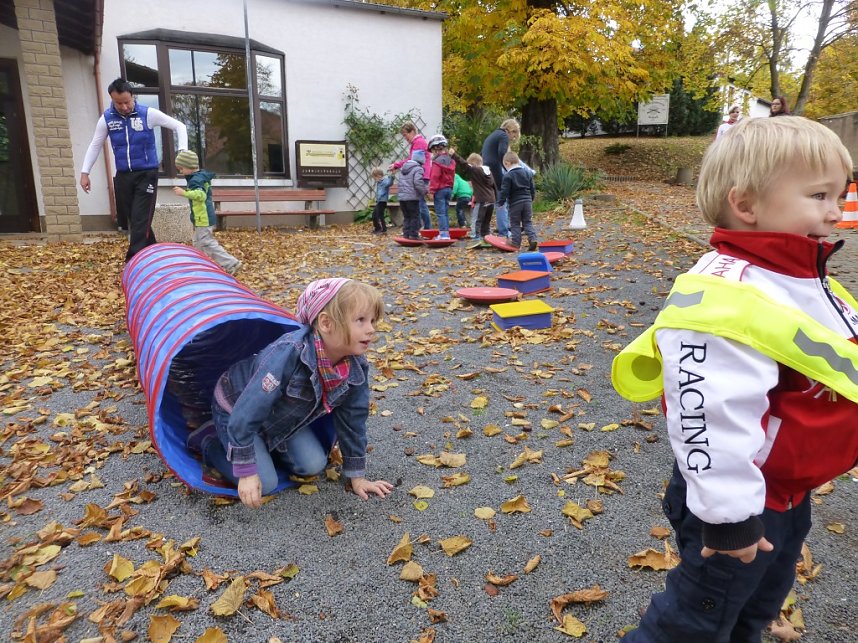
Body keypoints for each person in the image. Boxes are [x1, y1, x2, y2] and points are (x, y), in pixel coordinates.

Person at [611, 116, 857, 642]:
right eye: (819, 195)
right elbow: (708, 411)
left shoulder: (802, 277)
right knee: (692, 623)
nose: (835, 212)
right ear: (746, 206)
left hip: (786, 495)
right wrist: (728, 520)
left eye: (841, 194)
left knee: (756, 607)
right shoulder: (729, 294)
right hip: (740, 501)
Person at [186, 278, 395, 508]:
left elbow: (353, 420)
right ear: (326, 323)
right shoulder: (289, 354)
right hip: (236, 408)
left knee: (313, 465)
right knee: (264, 483)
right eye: (361, 320)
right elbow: (249, 409)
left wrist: (358, 477)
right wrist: (246, 471)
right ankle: (210, 442)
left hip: (280, 418)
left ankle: (263, 447)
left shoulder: (355, 368)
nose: (371, 329)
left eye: (373, 320)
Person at [80, 78, 188, 262]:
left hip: (147, 174)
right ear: (112, 100)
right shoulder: (107, 119)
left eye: (126, 102)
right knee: (135, 217)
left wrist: (182, 152)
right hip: (123, 175)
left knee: (140, 218)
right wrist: (85, 172)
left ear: (133, 97)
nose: (123, 107)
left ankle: (133, 259)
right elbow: (95, 145)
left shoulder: (148, 114)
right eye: (118, 103)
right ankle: (154, 252)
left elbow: (180, 126)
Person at [172, 150, 241, 275]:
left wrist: (184, 193)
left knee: (206, 242)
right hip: (201, 216)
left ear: (189, 166)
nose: (181, 172)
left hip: (203, 217)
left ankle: (231, 263)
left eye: (181, 169)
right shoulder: (200, 176)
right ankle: (200, 266)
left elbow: (201, 195)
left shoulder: (195, 180)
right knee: (198, 242)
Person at [481, 118, 520, 239]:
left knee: (491, 201)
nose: (513, 138)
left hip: (486, 169)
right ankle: (504, 231)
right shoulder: (503, 136)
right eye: (514, 135)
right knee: (501, 199)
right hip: (494, 169)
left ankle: (485, 231)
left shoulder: (493, 134)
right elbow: (503, 154)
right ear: (511, 130)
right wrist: (510, 170)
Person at [390, 121, 431, 230]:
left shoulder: (419, 142)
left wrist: (397, 165)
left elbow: (413, 160)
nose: (405, 138)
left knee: (420, 203)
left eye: (405, 134)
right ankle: (418, 227)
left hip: (420, 174)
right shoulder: (416, 142)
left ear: (412, 131)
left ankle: (426, 228)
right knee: (418, 203)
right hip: (420, 174)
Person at [450, 149, 496, 241]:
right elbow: (494, 186)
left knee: (476, 219)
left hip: (482, 200)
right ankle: (486, 235)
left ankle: (475, 236)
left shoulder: (475, 170)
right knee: (486, 220)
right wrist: (498, 199)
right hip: (491, 200)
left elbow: (464, 164)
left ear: (472, 164)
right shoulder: (488, 172)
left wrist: (454, 155)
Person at [499, 151, 537, 252]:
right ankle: (533, 238)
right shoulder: (527, 173)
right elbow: (532, 188)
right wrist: (531, 198)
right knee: (527, 222)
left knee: (515, 223)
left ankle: (515, 243)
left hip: (515, 203)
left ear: (507, 163)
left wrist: (501, 202)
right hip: (527, 201)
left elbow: (504, 191)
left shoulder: (508, 176)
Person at [427, 134, 456, 239]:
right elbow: (453, 176)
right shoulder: (451, 161)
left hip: (439, 190)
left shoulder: (436, 162)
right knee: (445, 212)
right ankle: (446, 232)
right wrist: (451, 188)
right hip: (448, 189)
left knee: (440, 213)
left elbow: (435, 177)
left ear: (435, 149)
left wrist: (431, 191)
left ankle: (443, 234)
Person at [396, 149, 428, 240]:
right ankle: (413, 235)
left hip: (402, 198)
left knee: (407, 216)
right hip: (412, 197)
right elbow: (418, 182)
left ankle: (406, 234)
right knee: (415, 216)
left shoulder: (403, 168)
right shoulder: (418, 169)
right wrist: (424, 191)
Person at [370, 167, 395, 234]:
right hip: (379, 200)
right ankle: (379, 228)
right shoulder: (379, 182)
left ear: (378, 176)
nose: (374, 179)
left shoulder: (385, 181)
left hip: (382, 201)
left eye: (374, 177)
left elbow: (390, 183)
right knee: (375, 215)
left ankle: (382, 229)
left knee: (379, 215)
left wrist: (392, 175)